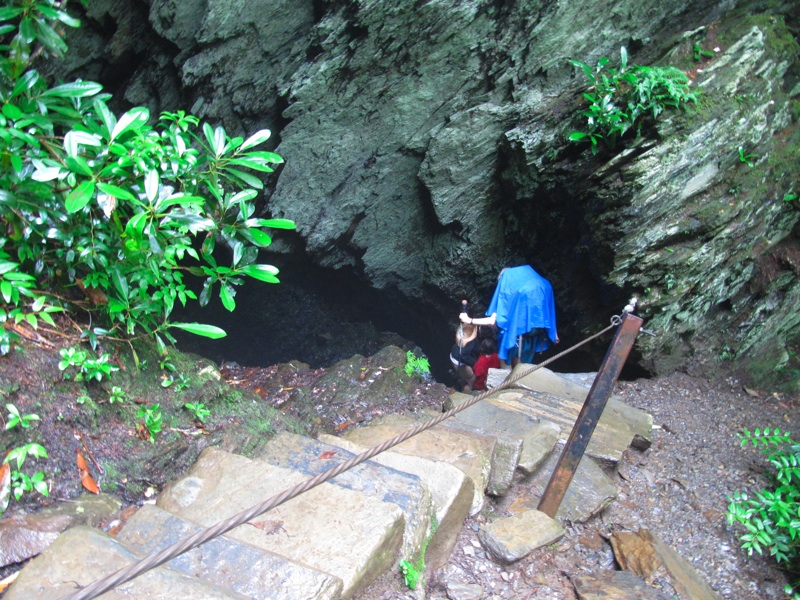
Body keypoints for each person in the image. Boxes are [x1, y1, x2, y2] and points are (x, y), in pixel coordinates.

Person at [460, 265, 559, 366]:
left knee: (515, 358)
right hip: (537, 331)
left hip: (520, 334)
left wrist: (469, 320)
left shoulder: (509, 291)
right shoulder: (540, 286)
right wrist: (553, 332)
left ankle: (516, 376)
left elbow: (492, 320)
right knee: (526, 360)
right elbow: (549, 309)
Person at [450, 323, 479, 392]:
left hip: (454, 356)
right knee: (471, 380)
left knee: (464, 377)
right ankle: (467, 395)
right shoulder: (468, 345)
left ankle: (462, 382)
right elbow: (463, 355)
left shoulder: (459, 340)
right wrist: (475, 363)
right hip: (460, 362)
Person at [472, 325, 500, 390]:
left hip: (481, 385)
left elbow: (477, 373)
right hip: (494, 381)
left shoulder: (481, 361)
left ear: (482, 348)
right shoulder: (497, 356)